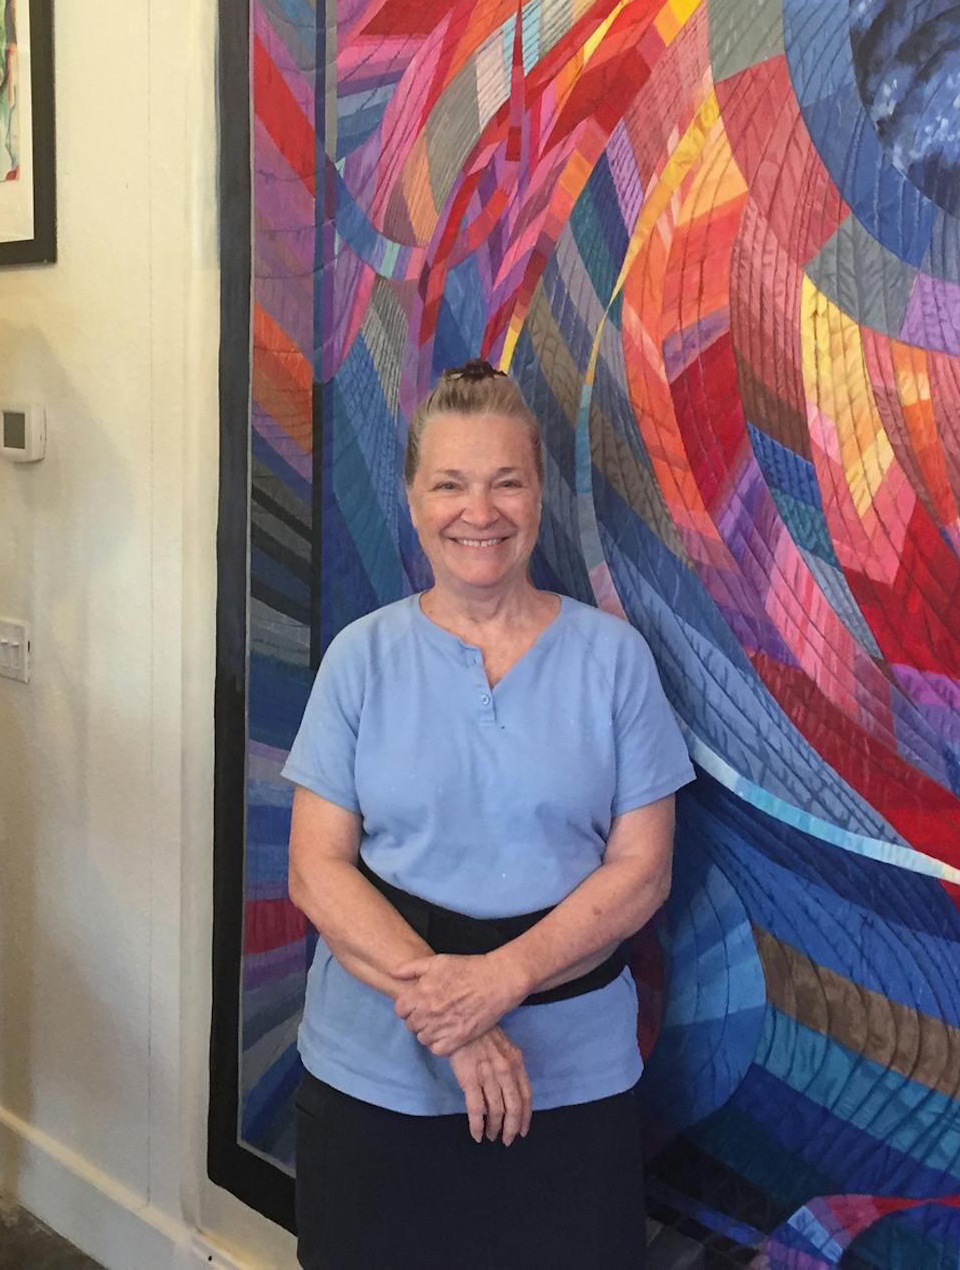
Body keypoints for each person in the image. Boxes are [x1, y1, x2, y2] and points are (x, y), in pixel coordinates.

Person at [282, 359, 696, 1270]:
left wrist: (499, 981)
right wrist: (457, 1016)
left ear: (540, 493)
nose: (481, 511)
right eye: (451, 485)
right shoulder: (362, 659)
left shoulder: (614, 661)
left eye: (507, 481)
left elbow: (644, 872)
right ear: (412, 497)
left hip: (573, 1083)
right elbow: (315, 869)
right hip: (373, 1079)